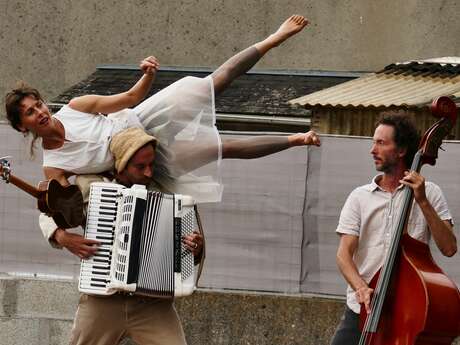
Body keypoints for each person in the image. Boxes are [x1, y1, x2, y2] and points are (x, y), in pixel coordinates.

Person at [5, 15, 316, 203]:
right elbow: (61, 205)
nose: (40, 112)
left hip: (142, 119)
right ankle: (297, 139)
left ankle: (276, 37)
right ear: (23, 127)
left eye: (39, 104)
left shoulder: (75, 107)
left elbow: (129, 98)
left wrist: (148, 76)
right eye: (31, 113)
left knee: (213, 83)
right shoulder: (54, 163)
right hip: (139, 158)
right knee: (223, 148)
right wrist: (56, 220)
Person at [40, 128, 204, 345]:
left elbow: (185, 256)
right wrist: (63, 237)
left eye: (151, 165)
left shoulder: (167, 195)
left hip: (152, 305)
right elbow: (47, 212)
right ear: (121, 167)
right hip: (103, 300)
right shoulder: (90, 186)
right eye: (140, 166)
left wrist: (194, 248)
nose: (148, 173)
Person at [330, 113, 457, 345]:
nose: (372, 149)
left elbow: (449, 248)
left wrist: (423, 201)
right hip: (362, 311)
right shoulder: (359, 197)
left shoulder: (431, 193)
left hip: (408, 312)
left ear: (401, 151)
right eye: (373, 142)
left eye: (381, 143)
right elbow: (343, 255)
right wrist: (361, 288)